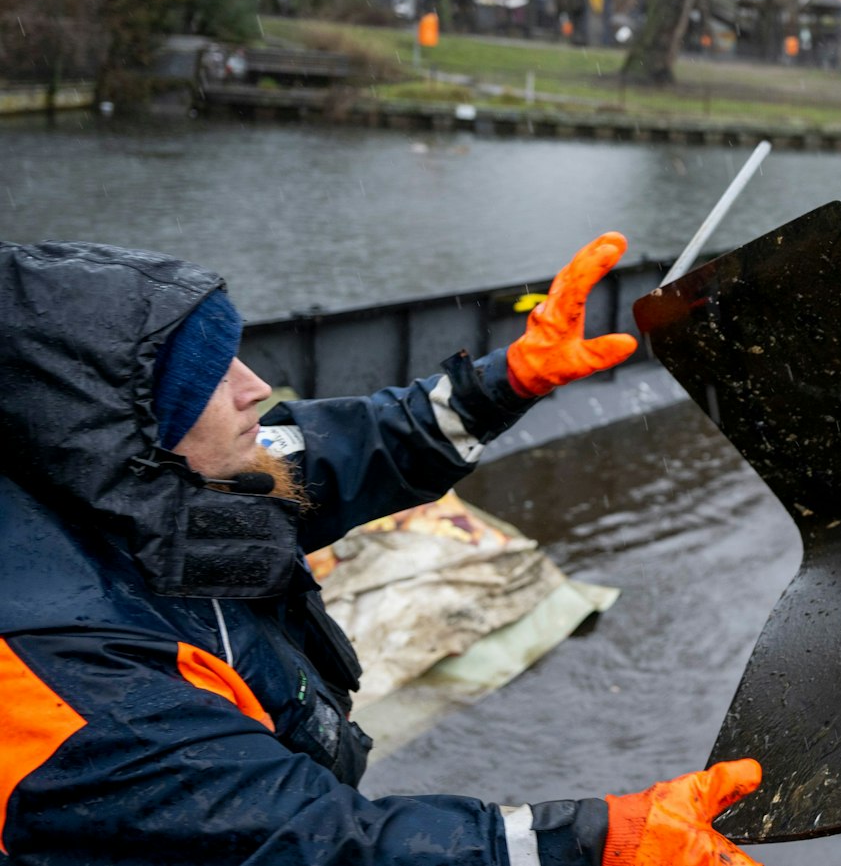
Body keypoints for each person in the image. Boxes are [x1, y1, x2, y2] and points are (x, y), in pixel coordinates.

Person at [0, 234, 765, 866]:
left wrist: (505, 382)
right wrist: (596, 840)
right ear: (124, 438)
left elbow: (332, 453)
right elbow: (312, 843)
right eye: (207, 378)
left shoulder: (134, 475)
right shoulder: (64, 687)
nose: (255, 386)